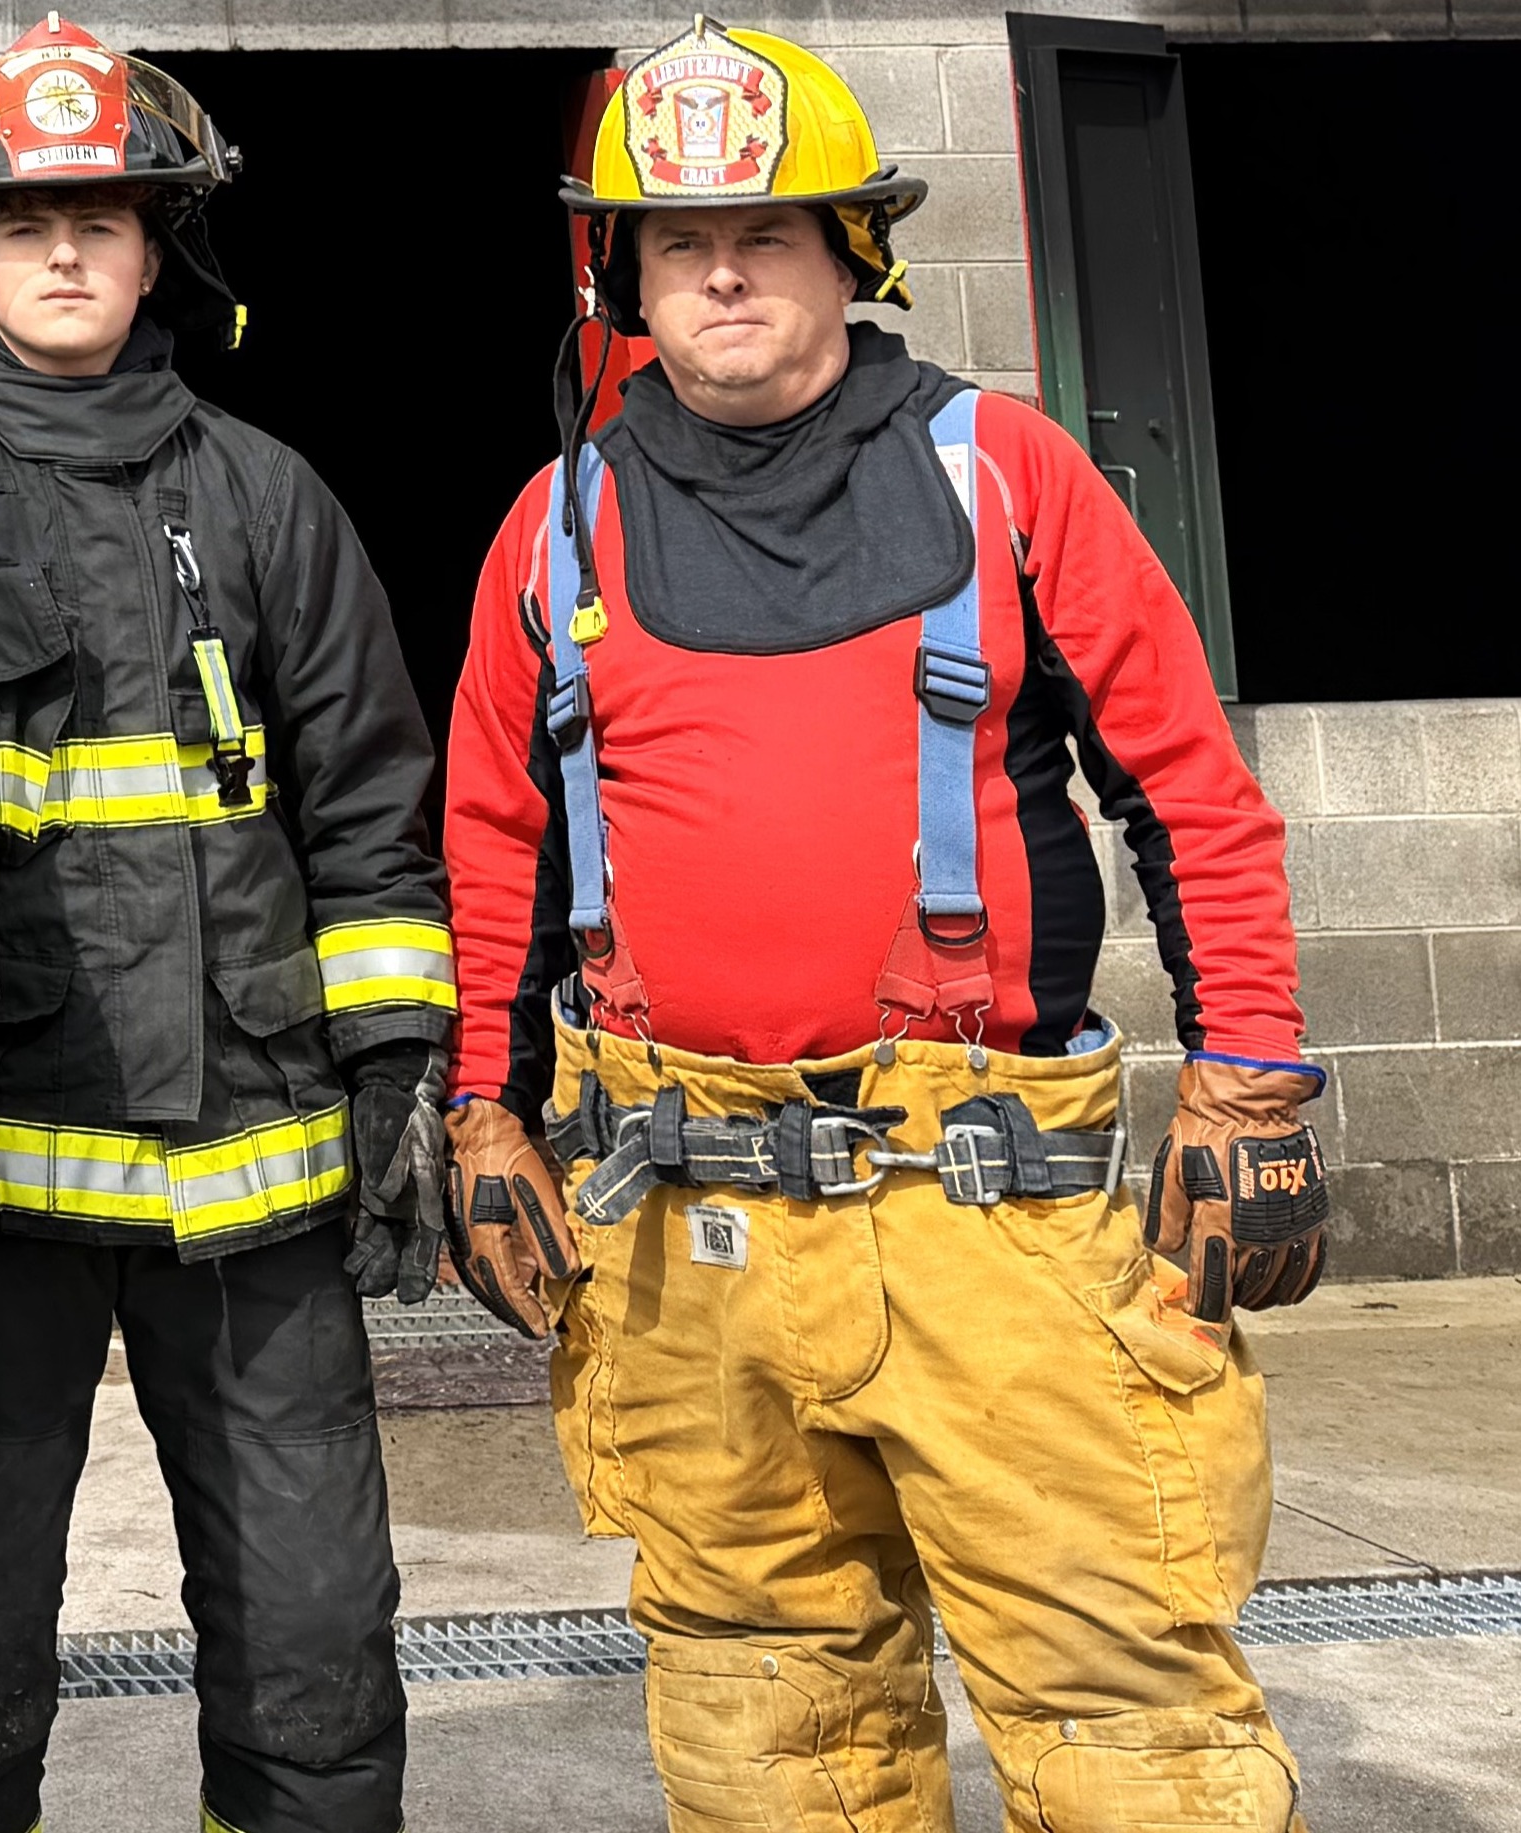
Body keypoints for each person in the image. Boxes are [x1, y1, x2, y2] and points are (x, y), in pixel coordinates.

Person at [446, 21, 1326, 1830]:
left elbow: (1193, 798)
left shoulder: (1007, 477)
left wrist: (1248, 1089)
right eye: (676, 242)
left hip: (987, 1224)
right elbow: (492, 846)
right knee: (775, 1736)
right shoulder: (554, 530)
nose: (721, 274)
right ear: (620, 274)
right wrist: (479, 1105)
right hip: (685, 1244)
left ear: (854, 251)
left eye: (767, 232)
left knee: (1126, 1717)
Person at [0, 21, 448, 1831]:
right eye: (25, 223)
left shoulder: (268, 497)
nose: (69, 251)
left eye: (102, 216)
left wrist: (397, 1061)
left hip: (253, 1156)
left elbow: (367, 808)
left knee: (315, 1611)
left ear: (161, 244)